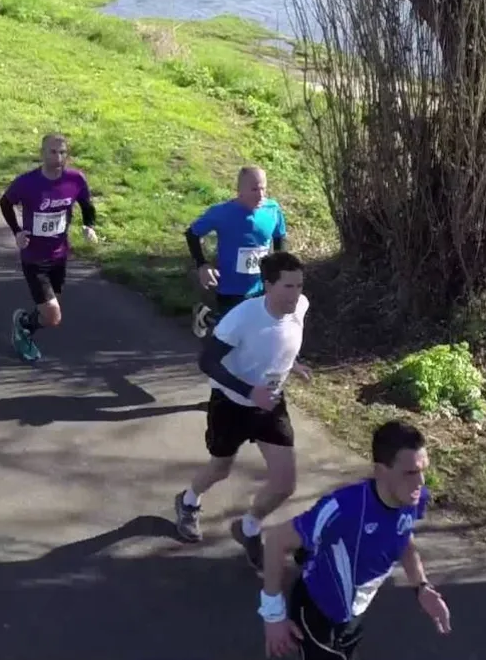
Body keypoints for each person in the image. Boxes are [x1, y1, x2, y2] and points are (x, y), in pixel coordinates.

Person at [256, 420, 452, 659]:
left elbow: (404, 537)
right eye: (410, 472)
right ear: (380, 471)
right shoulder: (343, 508)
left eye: (423, 470)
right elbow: (276, 540)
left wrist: (421, 587)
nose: (421, 482)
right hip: (319, 613)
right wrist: (273, 617)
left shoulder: (414, 498)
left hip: (353, 614)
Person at [173, 250, 310, 562]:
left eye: (300, 285)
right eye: (288, 287)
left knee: (285, 484)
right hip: (231, 403)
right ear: (268, 285)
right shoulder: (242, 318)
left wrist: (294, 364)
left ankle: (248, 528)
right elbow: (207, 361)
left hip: (270, 404)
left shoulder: (300, 306)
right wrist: (249, 391)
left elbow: (282, 340)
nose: (296, 294)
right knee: (221, 468)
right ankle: (189, 501)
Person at [0, 134, 98, 363]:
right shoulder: (27, 182)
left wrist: (88, 226)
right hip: (33, 257)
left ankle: (23, 323)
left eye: (63, 152)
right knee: (53, 316)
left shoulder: (76, 180)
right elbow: (5, 202)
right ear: (42, 153)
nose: (59, 157)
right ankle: (23, 331)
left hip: (59, 255)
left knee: (50, 309)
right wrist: (17, 231)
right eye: (53, 152)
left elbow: (87, 205)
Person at [186, 166, 288, 338]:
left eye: (263, 188)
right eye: (254, 189)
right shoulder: (222, 213)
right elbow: (192, 234)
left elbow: (280, 238)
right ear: (240, 190)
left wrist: (279, 271)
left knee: (253, 332)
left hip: (260, 284)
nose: (260, 195)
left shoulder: (272, 210)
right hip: (230, 286)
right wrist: (202, 265)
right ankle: (205, 316)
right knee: (230, 332)